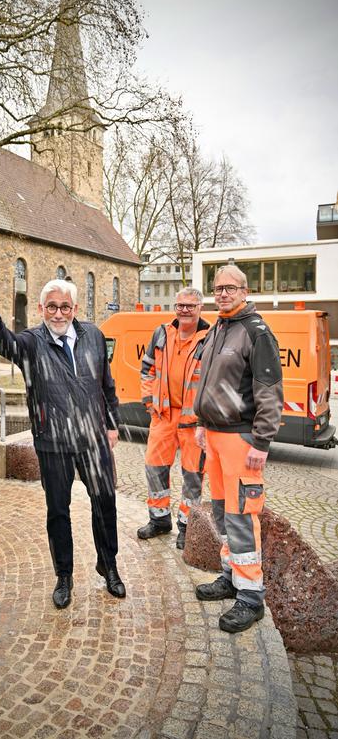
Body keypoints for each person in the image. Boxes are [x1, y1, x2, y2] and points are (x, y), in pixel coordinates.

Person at [0, 279, 125, 609]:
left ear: (75, 310)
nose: (58, 313)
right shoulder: (31, 342)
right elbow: (6, 345)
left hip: (93, 438)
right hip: (52, 441)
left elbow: (106, 385)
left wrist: (112, 425)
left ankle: (108, 565)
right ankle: (64, 575)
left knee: (105, 503)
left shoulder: (93, 336)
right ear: (41, 310)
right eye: (51, 307)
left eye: (64, 307)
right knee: (58, 511)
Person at [193, 264, 283, 633]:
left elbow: (270, 392)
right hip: (214, 437)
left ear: (245, 291)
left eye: (230, 288)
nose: (223, 293)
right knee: (223, 512)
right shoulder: (219, 328)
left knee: (244, 515)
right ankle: (231, 576)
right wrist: (201, 423)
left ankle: (250, 597)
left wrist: (261, 441)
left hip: (242, 440)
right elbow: (209, 384)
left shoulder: (256, 332)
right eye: (218, 288)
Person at [137, 288, 210, 549]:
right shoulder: (161, 333)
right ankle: (159, 520)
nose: (184, 310)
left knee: (193, 475)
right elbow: (147, 369)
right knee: (154, 468)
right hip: (163, 415)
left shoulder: (210, 338)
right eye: (180, 305)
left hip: (194, 421)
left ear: (200, 307)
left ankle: (187, 527)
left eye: (190, 305)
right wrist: (149, 401)